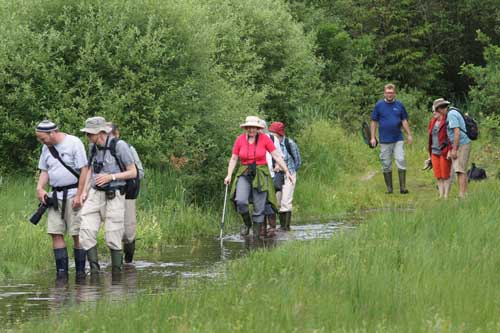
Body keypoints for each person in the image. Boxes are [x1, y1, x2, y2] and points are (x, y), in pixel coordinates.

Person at [79, 116, 137, 274]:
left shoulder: (120, 146)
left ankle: (117, 276)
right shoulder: (92, 147)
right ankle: (95, 272)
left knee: (113, 234)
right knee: (86, 229)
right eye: (87, 133)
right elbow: (90, 169)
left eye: (90, 134)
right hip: (95, 193)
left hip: (115, 194)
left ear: (101, 132)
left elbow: (133, 172)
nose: (87, 137)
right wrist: (84, 191)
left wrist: (111, 177)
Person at [35, 120, 88, 279]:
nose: (41, 141)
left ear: (52, 133)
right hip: (54, 197)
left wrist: (79, 195)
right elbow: (45, 170)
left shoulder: (74, 143)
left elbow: (84, 170)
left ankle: (80, 273)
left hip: (73, 195)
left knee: (77, 233)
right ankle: (62, 273)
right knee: (55, 233)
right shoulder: (46, 147)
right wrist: (40, 187)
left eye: (43, 138)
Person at [224, 116, 292, 239]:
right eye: (249, 127)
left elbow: (276, 155)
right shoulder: (239, 140)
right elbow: (234, 158)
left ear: (258, 128)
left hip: (261, 174)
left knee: (259, 208)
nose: (251, 130)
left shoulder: (265, 139)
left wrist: (286, 171)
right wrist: (229, 175)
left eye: (254, 127)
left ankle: (256, 239)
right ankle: (247, 224)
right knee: (241, 201)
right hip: (244, 172)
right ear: (246, 128)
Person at [109, 123, 144, 263]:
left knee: (128, 231)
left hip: (127, 193)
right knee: (112, 228)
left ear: (116, 134)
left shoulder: (128, 149)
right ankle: (115, 264)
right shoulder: (97, 150)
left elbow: (139, 173)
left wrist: (118, 178)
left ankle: (129, 263)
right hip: (107, 193)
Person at [370, 83, 413, 194]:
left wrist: (409, 134)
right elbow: (374, 122)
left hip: (398, 138)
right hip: (384, 140)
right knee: (386, 164)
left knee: (401, 159)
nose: (389, 94)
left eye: (391, 92)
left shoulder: (399, 105)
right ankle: (389, 189)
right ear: (384, 93)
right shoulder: (379, 105)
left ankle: (403, 188)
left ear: (394, 93)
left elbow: (404, 121)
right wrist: (372, 137)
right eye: (387, 93)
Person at [435, 98, 472, 198]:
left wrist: (454, 149)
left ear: (439, 109)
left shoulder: (451, 115)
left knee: (460, 171)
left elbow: (457, 132)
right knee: (460, 170)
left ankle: (462, 195)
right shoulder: (452, 111)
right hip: (459, 144)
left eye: (437, 110)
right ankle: (464, 194)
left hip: (462, 145)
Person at [268, 121, 301, 231]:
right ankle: (277, 227)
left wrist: (289, 173)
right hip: (275, 176)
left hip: (289, 175)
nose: (272, 136)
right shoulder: (269, 143)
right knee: (276, 202)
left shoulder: (289, 143)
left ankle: (285, 228)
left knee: (285, 201)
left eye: (274, 134)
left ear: (280, 134)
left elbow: (298, 161)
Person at [258, 119, 282, 238]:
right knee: (260, 202)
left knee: (269, 201)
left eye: (261, 128)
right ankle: (262, 228)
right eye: (258, 128)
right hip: (257, 175)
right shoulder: (253, 140)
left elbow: (279, 155)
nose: (259, 130)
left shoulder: (273, 139)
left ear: (265, 128)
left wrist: (278, 165)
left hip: (271, 174)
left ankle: (271, 227)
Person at [427, 100, 452, 199]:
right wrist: (429, 154)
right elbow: (430, 138)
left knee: (445, 175)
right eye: (433, 111)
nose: (434, 113)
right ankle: (440, 195)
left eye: (435, 111)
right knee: (438, 175)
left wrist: (450, 150)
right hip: (434, 151)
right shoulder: (432, 122)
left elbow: (450, 137)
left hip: (444, 151)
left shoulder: (447, 121)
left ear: (440, 111)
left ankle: (446, 196)